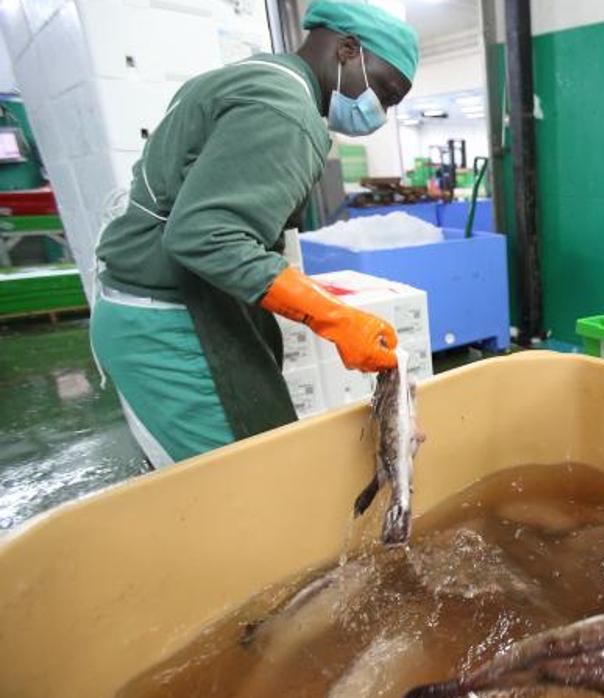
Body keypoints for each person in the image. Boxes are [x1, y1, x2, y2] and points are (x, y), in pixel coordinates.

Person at [90, 1, 418, 466]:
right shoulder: (285, 112)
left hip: (153, 309)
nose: (380, 112)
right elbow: (206, 235)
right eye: (384, 92)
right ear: (347, 49)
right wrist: (333, 317)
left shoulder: (255, 76)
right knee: (241, 485)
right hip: (172, 330)